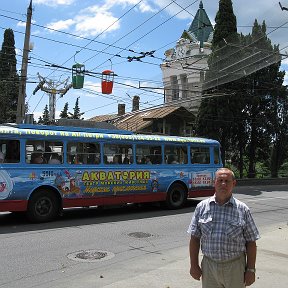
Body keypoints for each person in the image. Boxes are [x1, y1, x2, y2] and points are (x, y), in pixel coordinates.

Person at [187, 168, 260, 288]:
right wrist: (193, 265)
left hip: (235, 266)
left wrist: (251, 270)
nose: (223, 184)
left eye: (227, 181)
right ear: (214, 182)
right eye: (220, 180)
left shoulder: (242, 209)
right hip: (209, 266)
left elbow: (251, 242)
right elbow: (194, 238)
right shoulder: (201, 207)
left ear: (233, 184)